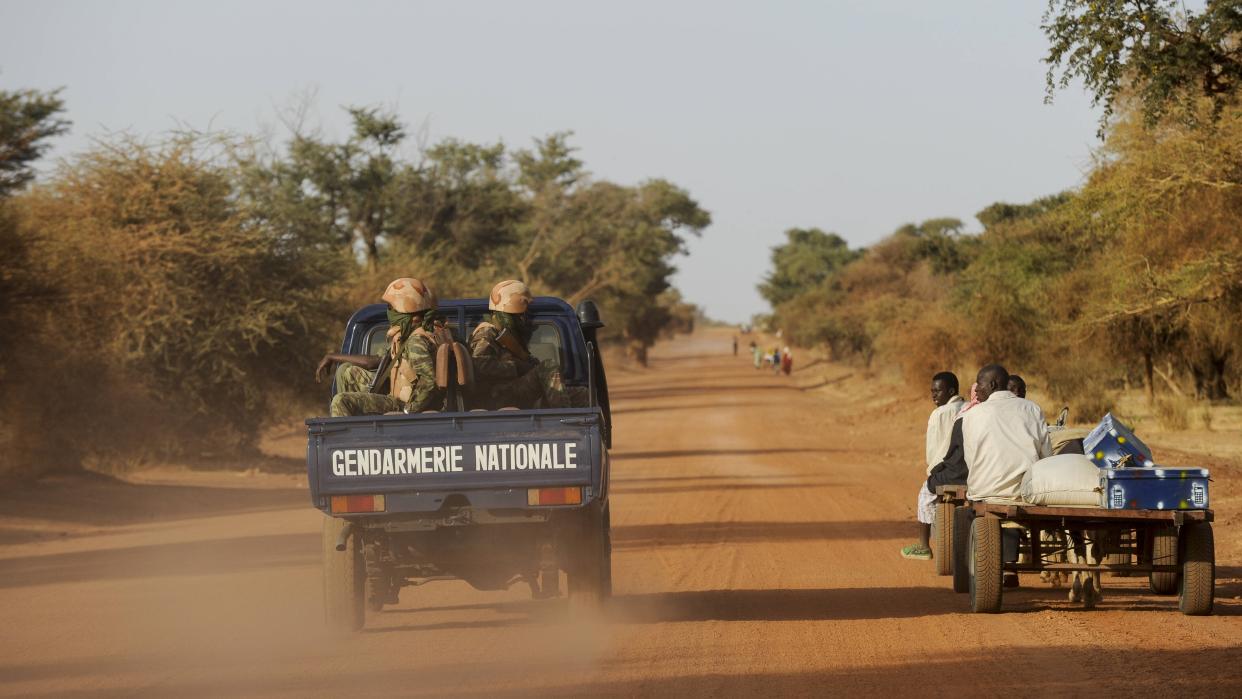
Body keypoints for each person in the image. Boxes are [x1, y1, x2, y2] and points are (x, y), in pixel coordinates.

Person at [316, 277, 443, 417]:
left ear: (410, 313)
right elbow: (376, 361)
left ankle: (349, 438)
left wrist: (408, 411)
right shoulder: (429, 332)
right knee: (346, 371)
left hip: (401, 404)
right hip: (402, 399)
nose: (390, 312)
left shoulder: (416, 341)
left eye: (393, 308)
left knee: (341, 401)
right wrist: (333, 356)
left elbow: (429, 381)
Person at [469, 279, 571, 409]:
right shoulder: (487, 332)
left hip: (510, 391)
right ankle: (562, 419)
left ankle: (571, 420)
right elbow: (481, 366)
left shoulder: (506, 333)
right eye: (519, 316)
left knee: (581, 394)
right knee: (548, 366)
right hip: (498, 395)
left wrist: (529, 364)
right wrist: (516, 367)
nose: (523, 319)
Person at [901, 372, 966, 560]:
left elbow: (934, 450)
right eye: (932, 391)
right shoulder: (969, 408)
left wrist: (932, 473)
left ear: (951, 391)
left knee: (924, 495)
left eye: (938, 391)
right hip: (974, 470)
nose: (934, 395)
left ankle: (923, 546)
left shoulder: (939, 414)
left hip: (948, 468)